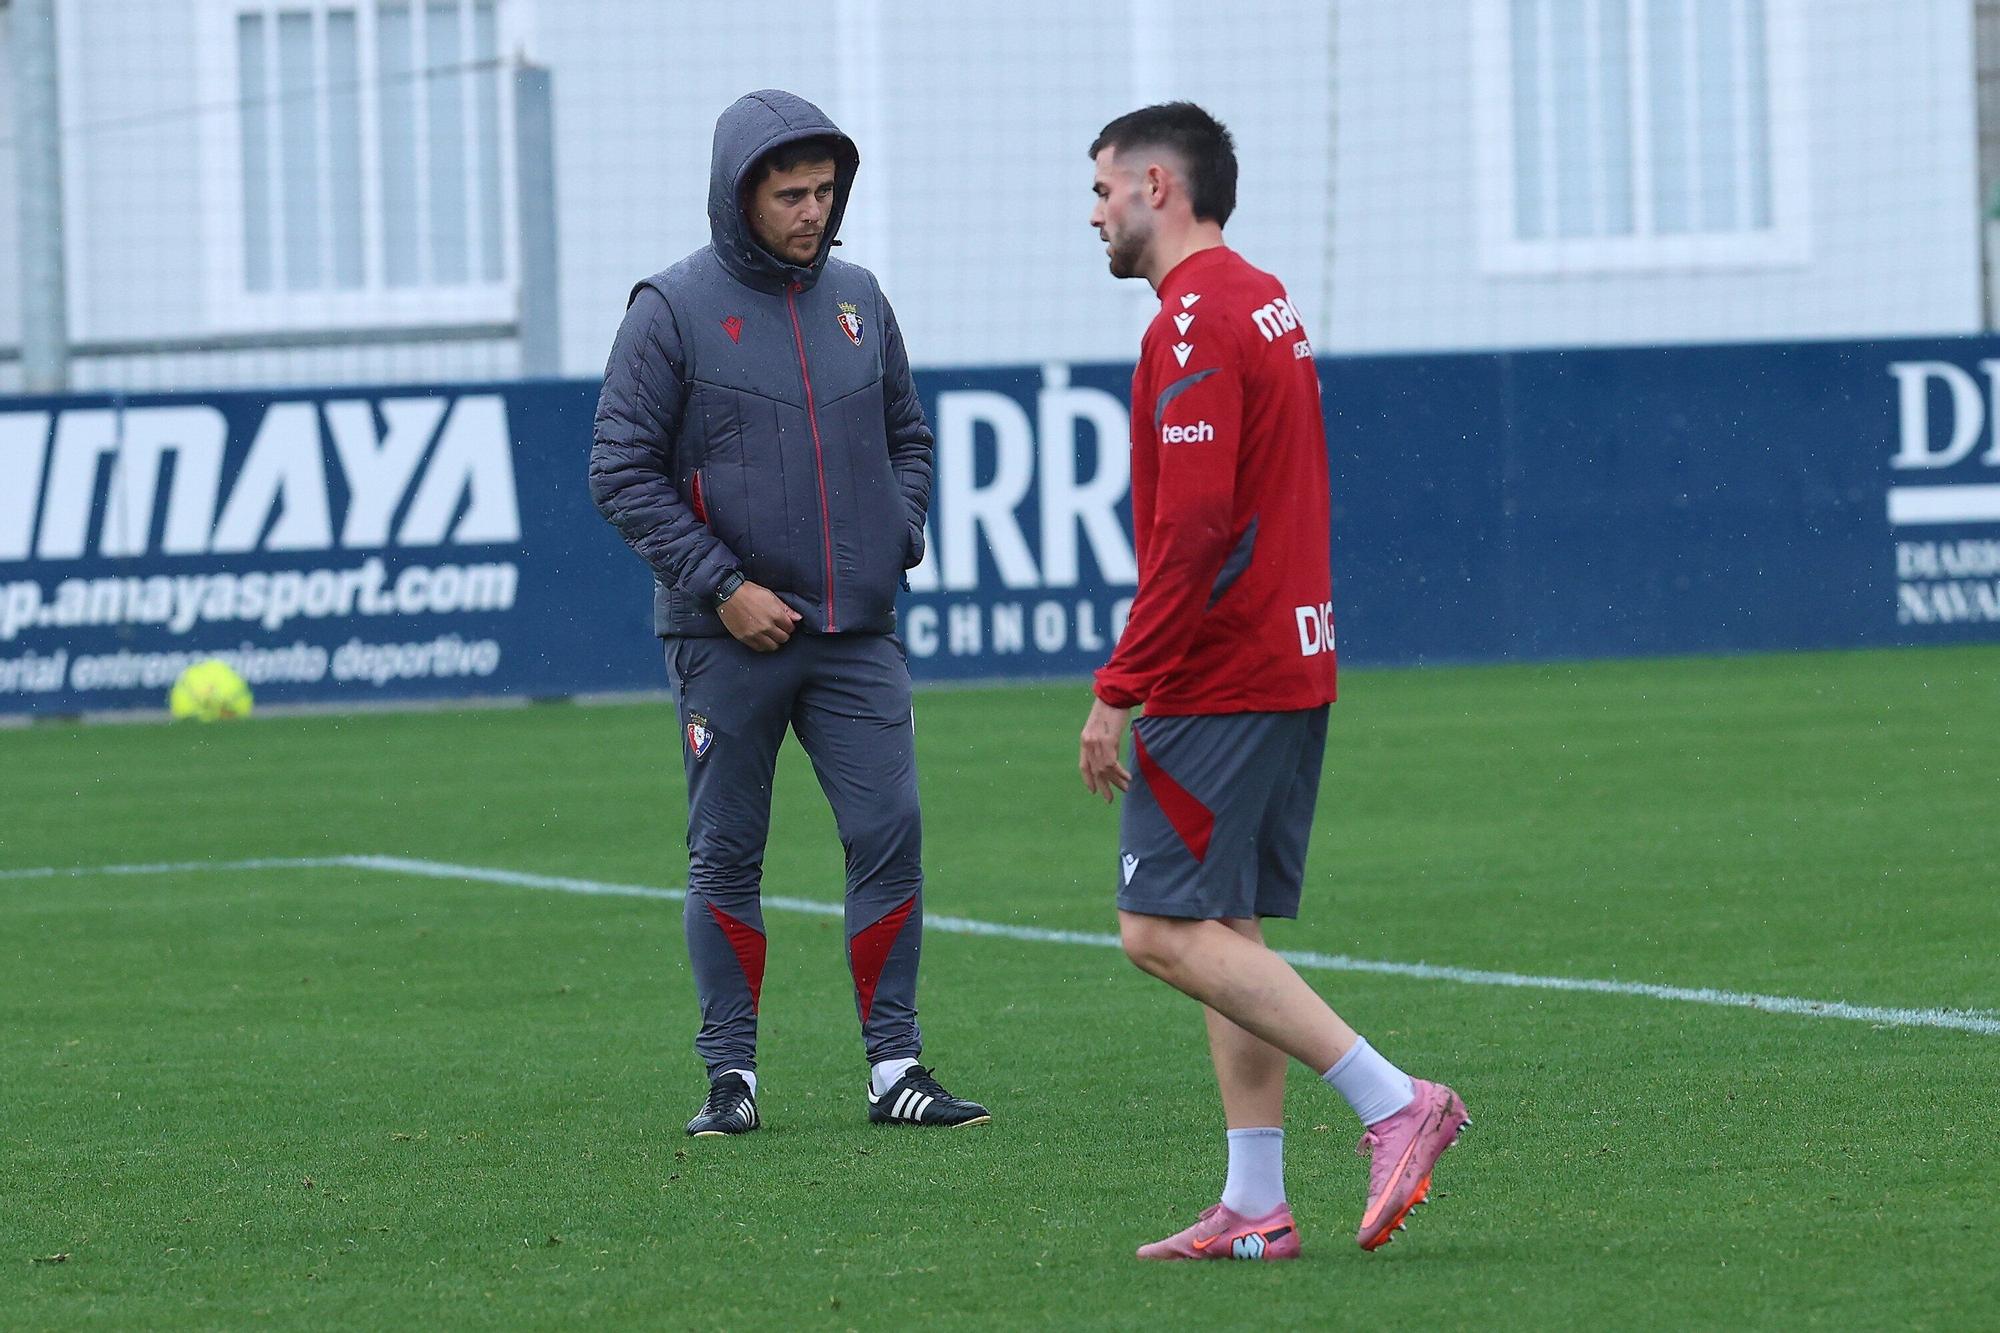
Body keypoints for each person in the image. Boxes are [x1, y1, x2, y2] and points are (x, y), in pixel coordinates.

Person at [1078, 103, 1467, 1259]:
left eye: (1101, 189)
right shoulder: (1259, 295)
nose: (1092, 211)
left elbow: (1193, 528)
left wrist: (1120, 684)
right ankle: (1255, 1201)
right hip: (1288, 656)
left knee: (1155, 929)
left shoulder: (1195, 317)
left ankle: (1392, 1098)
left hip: (1226, 671)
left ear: (1156, 184)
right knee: (1221, 928)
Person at [590, 89, 988, 1137]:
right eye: (788, 193)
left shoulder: (858, 296)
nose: (810, 211)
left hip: (855, 636)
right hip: (724, 642)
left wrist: (893, 532)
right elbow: (618, 469)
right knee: (726, 852)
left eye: (822, 191)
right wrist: (723, 585)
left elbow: (910, 436)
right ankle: (732, 1081)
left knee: (888, 833)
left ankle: (895, 1070)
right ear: (738, 194)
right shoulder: (668, 309)